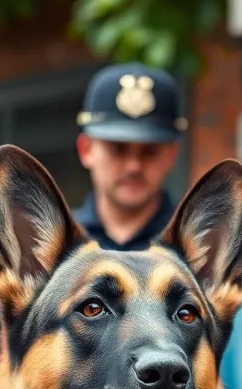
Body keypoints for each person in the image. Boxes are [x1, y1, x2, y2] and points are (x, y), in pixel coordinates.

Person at [73, 61, 185, 250]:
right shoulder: (58, 245)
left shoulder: (192, 247)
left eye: (150, 151)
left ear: (172, 155)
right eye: (117, 149)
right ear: (86, 150)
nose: (134, 166)